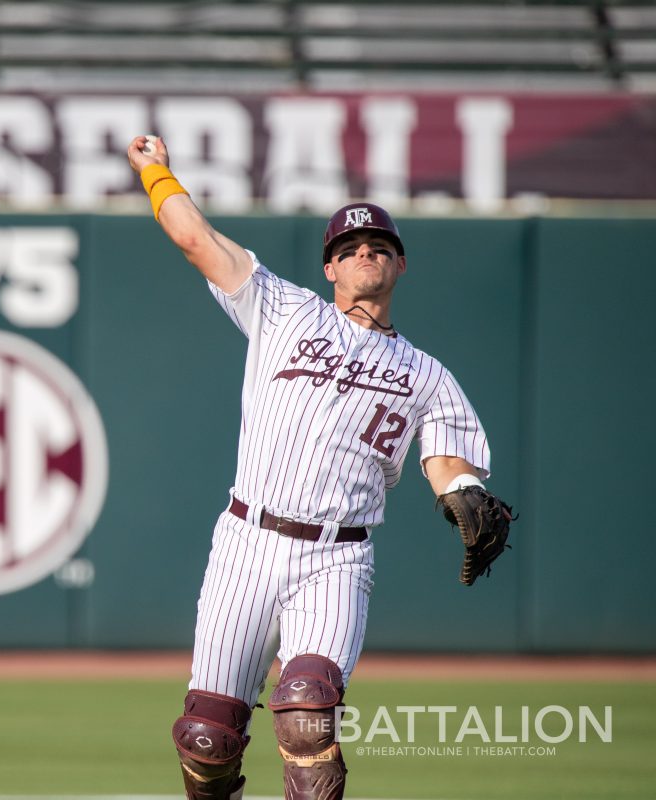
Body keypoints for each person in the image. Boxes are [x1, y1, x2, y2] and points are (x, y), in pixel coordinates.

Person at [127, 135, 512, 800]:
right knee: (207, 737)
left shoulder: (426, 375)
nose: (364, 254)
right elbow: (195, 239)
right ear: (329, 268)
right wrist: (155, 171)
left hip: (336, 557)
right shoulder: (283, 309)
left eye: (378, 247)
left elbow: (448, 462)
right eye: (348, 249)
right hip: (246, 542)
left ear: (400, 265)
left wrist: (466, 493)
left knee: (307, 714)